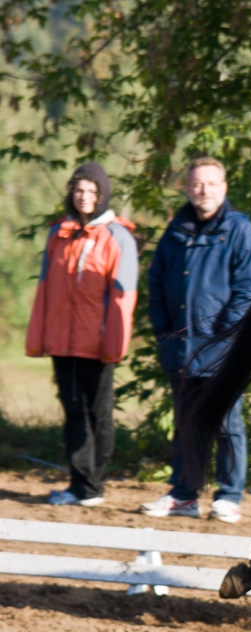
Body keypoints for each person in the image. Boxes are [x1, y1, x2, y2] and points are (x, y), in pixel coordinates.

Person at [141, 157, 251, 523]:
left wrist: (221, 336)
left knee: (227, 424)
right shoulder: (175, 231)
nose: (204, 190)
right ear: (187, 188)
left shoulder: (240, 232)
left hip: (224, 350)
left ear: (224, 188)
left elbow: (250, 292)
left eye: (211, 184)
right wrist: (165, 333)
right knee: (187, 424)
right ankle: (184, 494)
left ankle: (228, 497)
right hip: (181, 349)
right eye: (197, 184)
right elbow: (157, 285)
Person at [26, 162, 139, 506]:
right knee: (73, 411)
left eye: (92, 191)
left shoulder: (118, 236)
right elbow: (45, 288)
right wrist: (41, 335)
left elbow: (124, 296)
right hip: (63, 342)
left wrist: (114, 343)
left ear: (103, 195)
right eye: (79, 190)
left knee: (98, 413)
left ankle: (92, 486)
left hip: (98, 342)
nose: (84, 197)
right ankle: (81, 485)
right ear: (70, 193)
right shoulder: (58, 233)